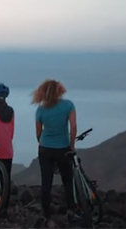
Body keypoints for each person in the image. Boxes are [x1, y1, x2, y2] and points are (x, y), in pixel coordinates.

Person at [32, 79, 78, 226]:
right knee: (67, 180)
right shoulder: (68, 105)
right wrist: (72, 145)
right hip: (63, 148)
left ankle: (46, 214)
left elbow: (38, 132)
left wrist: (42, 142)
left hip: (45, 148)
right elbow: (73, 127)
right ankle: (71, 209)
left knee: (46, 182)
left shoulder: (40, 110)